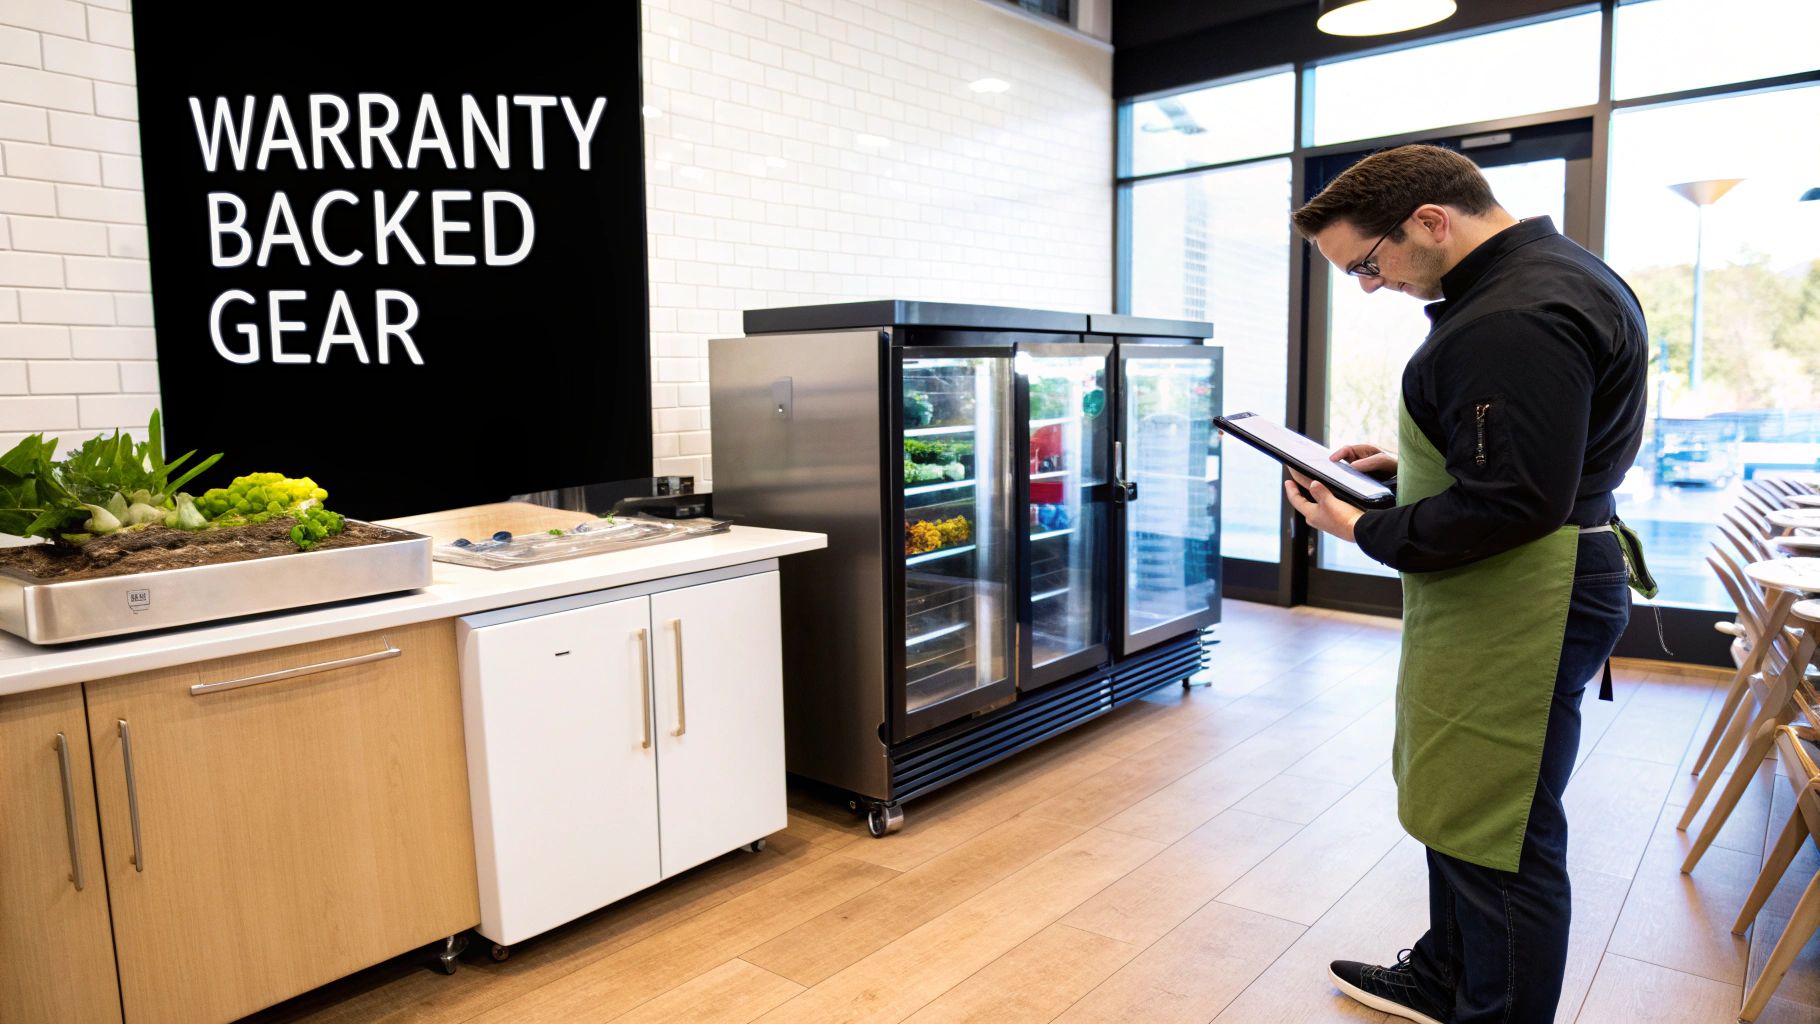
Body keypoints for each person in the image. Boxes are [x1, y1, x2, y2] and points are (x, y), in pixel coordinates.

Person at [1285, 144, 1651, 1024]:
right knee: (1462, 803)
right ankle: (1446, 977)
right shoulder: (1550, 276)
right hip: (1512, 589)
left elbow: (1513, 501)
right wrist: (1407, 465)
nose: (1369, 287)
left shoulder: (1511, 316)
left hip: (1522, 594)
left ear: (1431, 222)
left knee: (1500, 832)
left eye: (1368, 265)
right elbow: (1522, 452)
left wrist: (1364, 524)